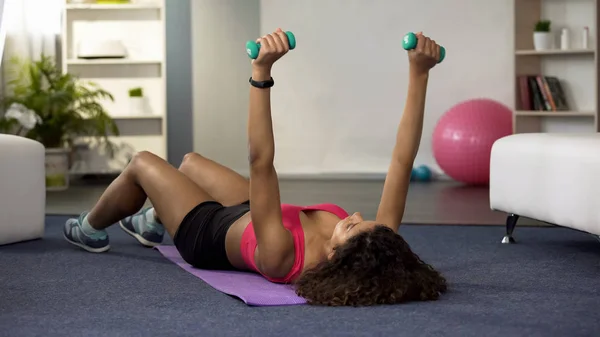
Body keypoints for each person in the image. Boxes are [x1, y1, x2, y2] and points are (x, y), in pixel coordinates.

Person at [63, 28, 447, 306]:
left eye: (350, 224)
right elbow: (401, 161)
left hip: (207, 232)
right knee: (191, 163)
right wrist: (420, 73)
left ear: (335, 257)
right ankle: (151, 222)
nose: (358, 214)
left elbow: (261, 162)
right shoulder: (376, 242)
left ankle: (89, 229)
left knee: (143, 163)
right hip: (249, 215)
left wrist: (260, 73)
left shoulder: (282, 255)